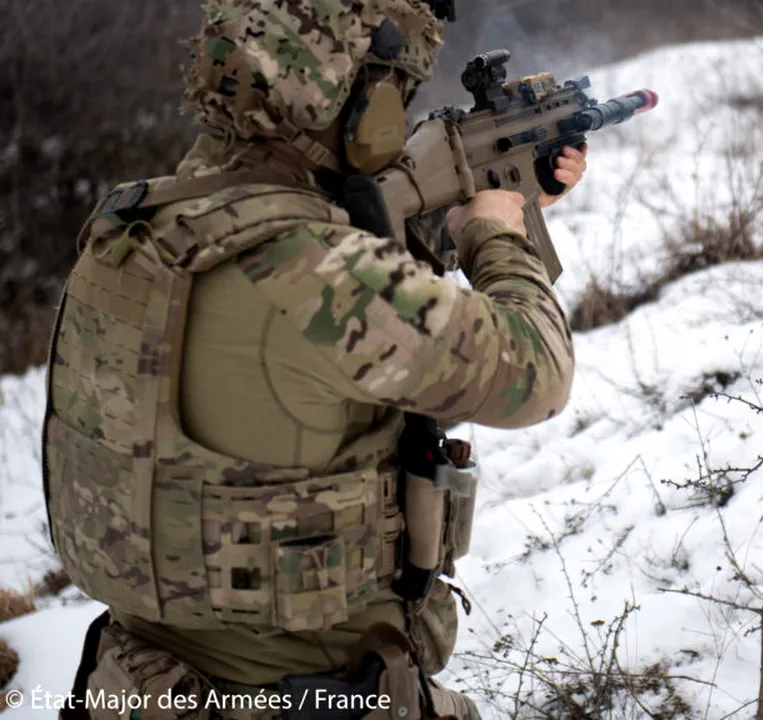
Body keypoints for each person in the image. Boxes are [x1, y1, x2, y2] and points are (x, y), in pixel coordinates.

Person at [41, 1, 585, 718]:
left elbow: (324, 299)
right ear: (364, 102)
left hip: (143, 684)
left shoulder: (138, 228)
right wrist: (497, 234)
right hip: (317, 697)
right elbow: (535, 374)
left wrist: (474, 199)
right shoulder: (314, 273)